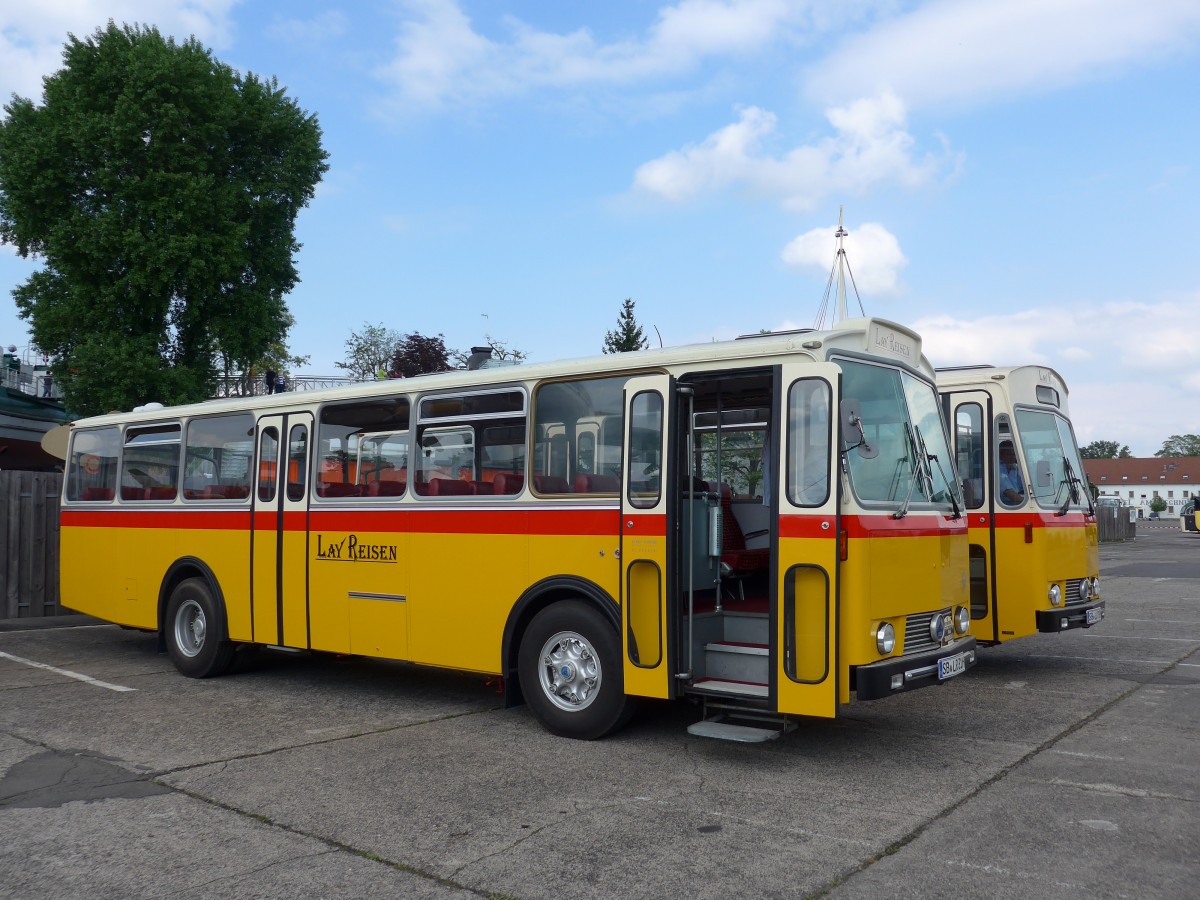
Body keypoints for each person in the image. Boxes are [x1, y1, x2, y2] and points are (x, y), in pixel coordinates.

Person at [998, 441, 1024, 505]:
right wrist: (1027, 502)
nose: (1013, 457)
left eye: (1014, 454)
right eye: (1009, 454)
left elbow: (1024, 487)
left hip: (1016, 501)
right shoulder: (997, 469)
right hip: (1003, 504)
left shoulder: (1016, 468)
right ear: (1001, 455)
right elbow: (1009, 493)